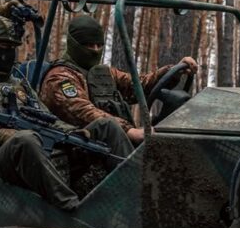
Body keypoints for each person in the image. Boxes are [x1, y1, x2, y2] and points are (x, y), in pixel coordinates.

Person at [0, 15, 133, 211]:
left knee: (106, 126)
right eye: (2, 46)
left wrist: (72, 133)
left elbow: (45, 119)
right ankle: (74, 212)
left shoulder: (18, 85)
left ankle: (135, 196)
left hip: (42, 159)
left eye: (12, 47)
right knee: (25, 140)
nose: (8, 53)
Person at [40, 15, 198, 144]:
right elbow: (82, 111)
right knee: (108, 126)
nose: (95, 50)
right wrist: (128, 130)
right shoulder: (60, 77)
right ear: (73, 44)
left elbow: (138, 86)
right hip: (78, 148)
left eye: (99, 45)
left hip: (111, 145)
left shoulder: (103, 74)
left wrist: (174, 71)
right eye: (89, 45)